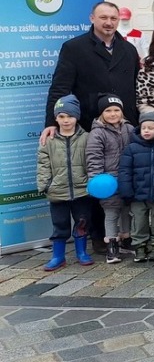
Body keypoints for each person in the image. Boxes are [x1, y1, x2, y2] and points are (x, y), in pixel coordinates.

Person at [44, 1, 140, 139]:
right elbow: (59, 88)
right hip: (90, 125)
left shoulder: (129, 49)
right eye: (103, 17)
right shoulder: (74, 48)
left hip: (127, 125)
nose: (109, 22)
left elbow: (137, 87)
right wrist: (52, 122)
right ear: (92, 18)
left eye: (113, 18)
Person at [37, 96, 93, 271]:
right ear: (56, 118)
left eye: (69, 116)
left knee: (82, 223)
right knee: (60, 224)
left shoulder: (87, 138)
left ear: (77, 117)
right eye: (61, 116)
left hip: (82, 190)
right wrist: (45, 185)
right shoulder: (49, 140)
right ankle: (58, 256)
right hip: (57, 191)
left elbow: (92, 161)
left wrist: (91, 182)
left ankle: (82, 253)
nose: (66, 120)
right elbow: (43, 164)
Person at [86, 94, 135, 264]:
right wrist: (96, 179)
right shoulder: (97, 133)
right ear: (101, 113)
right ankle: (112, 244)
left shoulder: (129, 128)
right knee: (112, 212)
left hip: (127, 178)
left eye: (116, 110)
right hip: (108, 180)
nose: (113, 114)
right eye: (108, 110)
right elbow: (93, 158)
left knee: (126, 210)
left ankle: (127, 239)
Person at [118, 111, 154, 263]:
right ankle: (139, 244)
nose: (146, 131)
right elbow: (125, 171)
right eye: (144, 127)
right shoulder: (132, 148)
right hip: (137, 193)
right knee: (139, 220)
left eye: (151, 128)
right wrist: (126, 191)